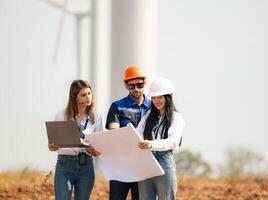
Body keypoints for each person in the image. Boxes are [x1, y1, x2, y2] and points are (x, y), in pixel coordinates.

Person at [48, 80, 103, 200]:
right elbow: (54, 145)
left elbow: (97, 152)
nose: (88, 97)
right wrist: (53, 146)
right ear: (75, 98)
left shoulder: (96, 118)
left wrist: (86, 146)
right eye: (83, 95)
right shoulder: (61, 116)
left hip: (86, 166)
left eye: (89, 93)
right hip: (65, 165)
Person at [106, 65, 152, 200]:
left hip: (144, 166)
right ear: (125, 85)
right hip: (121, 165)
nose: (136, 89)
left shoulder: (153, 106)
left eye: (139, 84)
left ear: (145, 83)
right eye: (132, 86)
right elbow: (113, 131)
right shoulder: (117, 106)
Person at [136, 77, 185, 200]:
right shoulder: (148, 116)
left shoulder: (176, 118)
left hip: (164, 159)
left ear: (168, 97)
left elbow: (172, 142)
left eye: (160, 97)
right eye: (153, 98)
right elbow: (137, 133)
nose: (156, 101)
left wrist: (151, 144)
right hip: (147, 160)